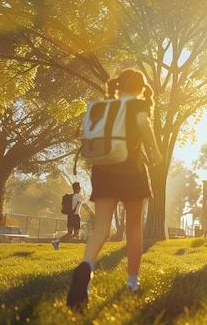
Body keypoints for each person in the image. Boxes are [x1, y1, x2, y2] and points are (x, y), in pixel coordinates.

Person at [67, 68, 163, 311]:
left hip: (103, 169)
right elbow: (143, 124)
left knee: (102, 224)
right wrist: (155, 152)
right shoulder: (138, 107)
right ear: (141, 89)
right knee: (133, 226)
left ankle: (87, 265)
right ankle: (132, 282)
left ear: (119, 87)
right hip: (131, 169)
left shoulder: (106, 107)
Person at [52, 182, 88, 250]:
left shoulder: (71, 196)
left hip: (70, 216)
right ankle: (58, 242)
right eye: (79, 187)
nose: (80, 188)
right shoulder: (79, 197)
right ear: (78, 189)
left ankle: (57, 242)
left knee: (69, 233)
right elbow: (84, 201)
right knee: (76, 233)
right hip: (76, 216)